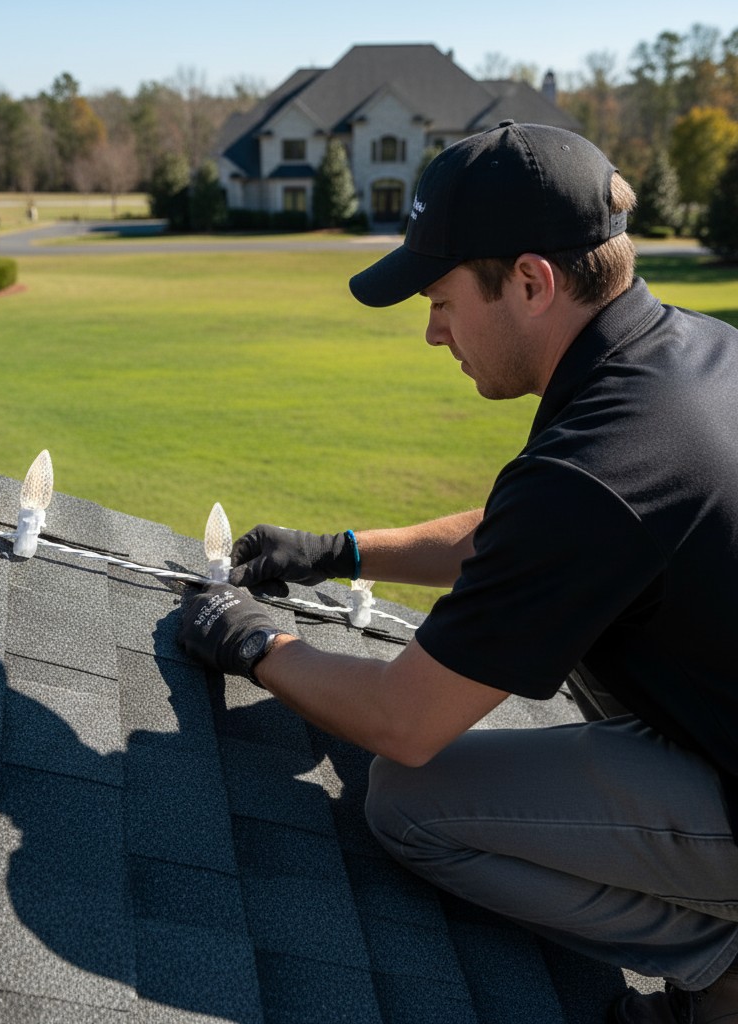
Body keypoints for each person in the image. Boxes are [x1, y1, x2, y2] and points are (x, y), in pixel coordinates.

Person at [177, 120, 738, 1024]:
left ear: (530, 281)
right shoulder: (690, 357)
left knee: (406, 803)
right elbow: (529, 538)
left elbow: (404, 724)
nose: (434, 335)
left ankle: (718, 957)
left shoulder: (601, 463)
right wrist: (339, 551)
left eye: (441, 300)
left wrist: (255, 643)